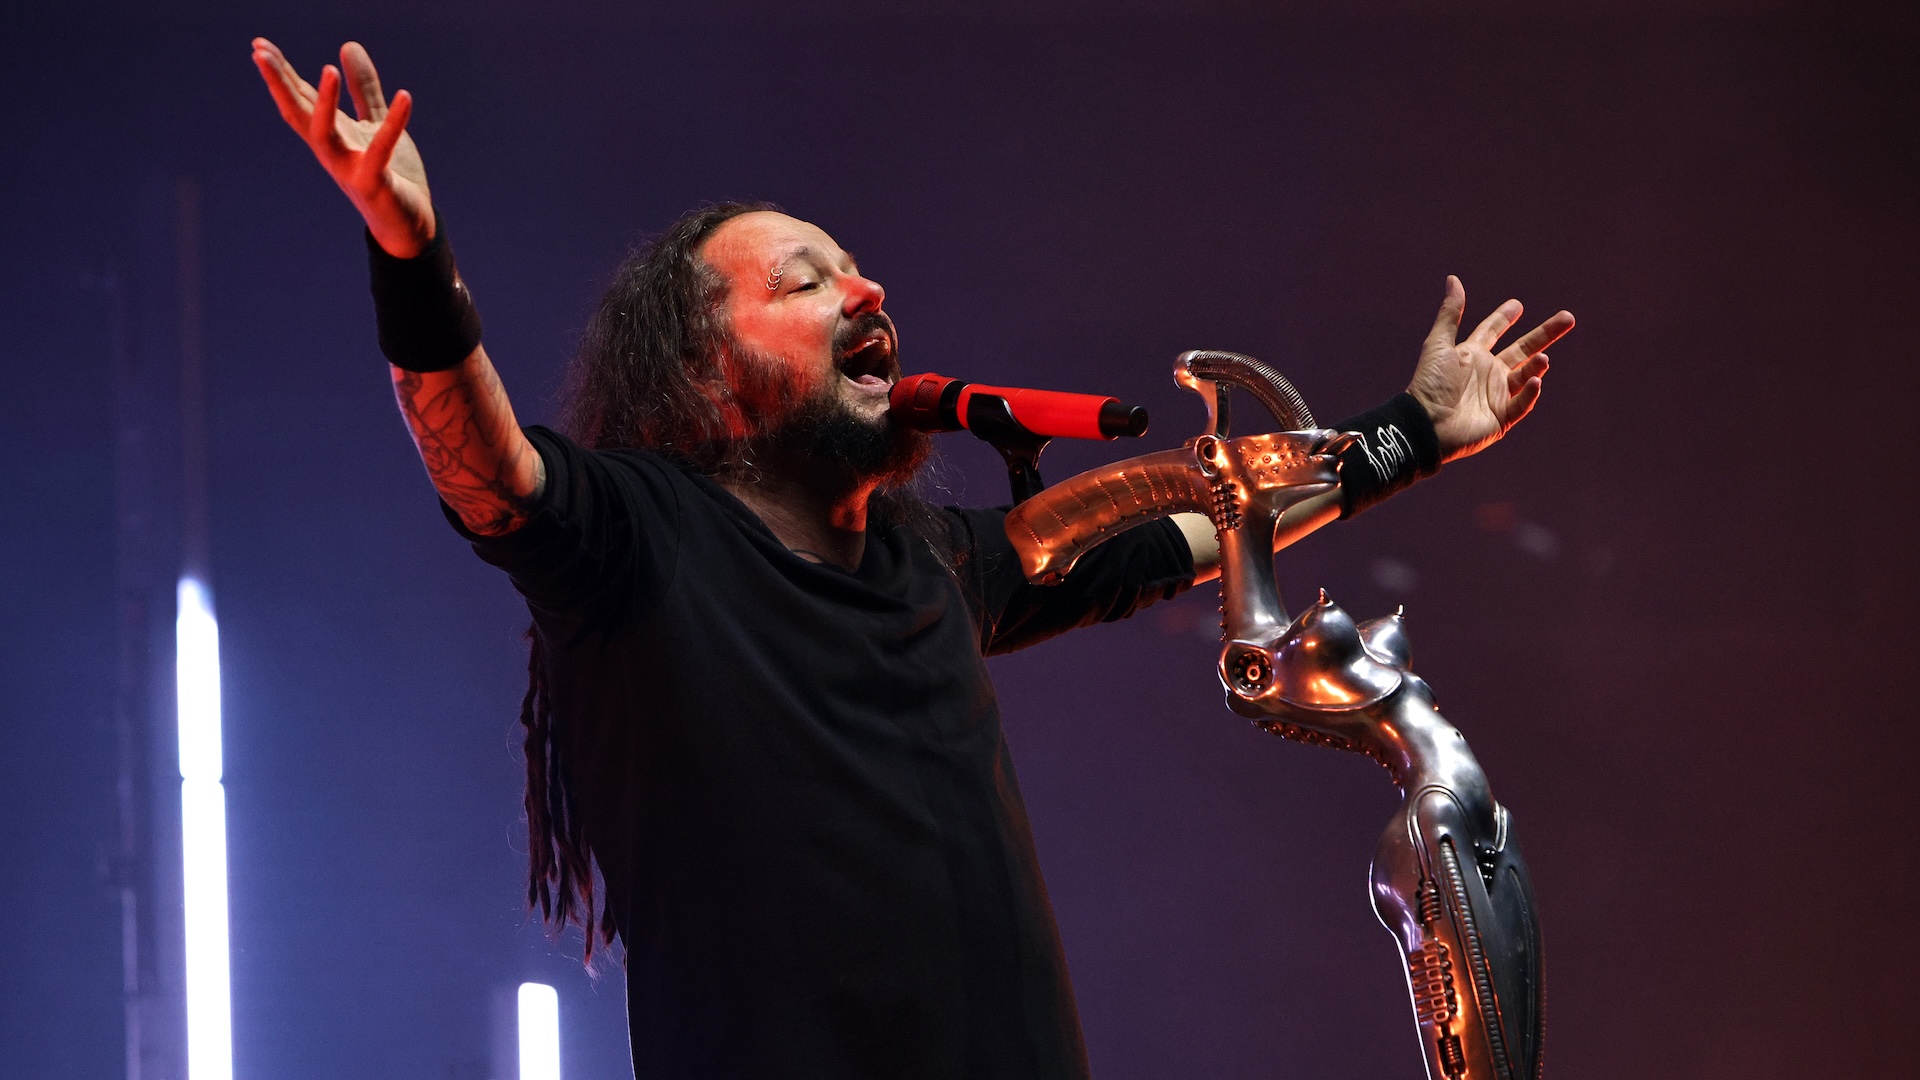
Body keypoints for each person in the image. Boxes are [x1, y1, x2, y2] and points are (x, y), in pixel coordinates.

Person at [251, 37, 1574, 1080]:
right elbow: (483, 470)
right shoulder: (638, 539)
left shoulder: (928, 559)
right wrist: (411, 257)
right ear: (710, 379)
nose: (868, 295)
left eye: (863, 274)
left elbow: (1200, 524)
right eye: (809, 283)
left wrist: (1412, 436)